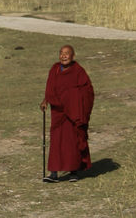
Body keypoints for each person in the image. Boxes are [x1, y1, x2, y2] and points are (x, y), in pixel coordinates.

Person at [40, 44, 94, 182]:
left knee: (72, 141)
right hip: (58, 111)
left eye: (67, 53)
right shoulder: (55, 69)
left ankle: (73, 172)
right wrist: (46, 100)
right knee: (56, 141)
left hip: (73, 112)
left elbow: (88, 91)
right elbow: (51, 87)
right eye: (61, 53)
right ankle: (53, 173)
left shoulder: (78, 71)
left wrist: (73, 99)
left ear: (73, 56)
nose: (64, 55)